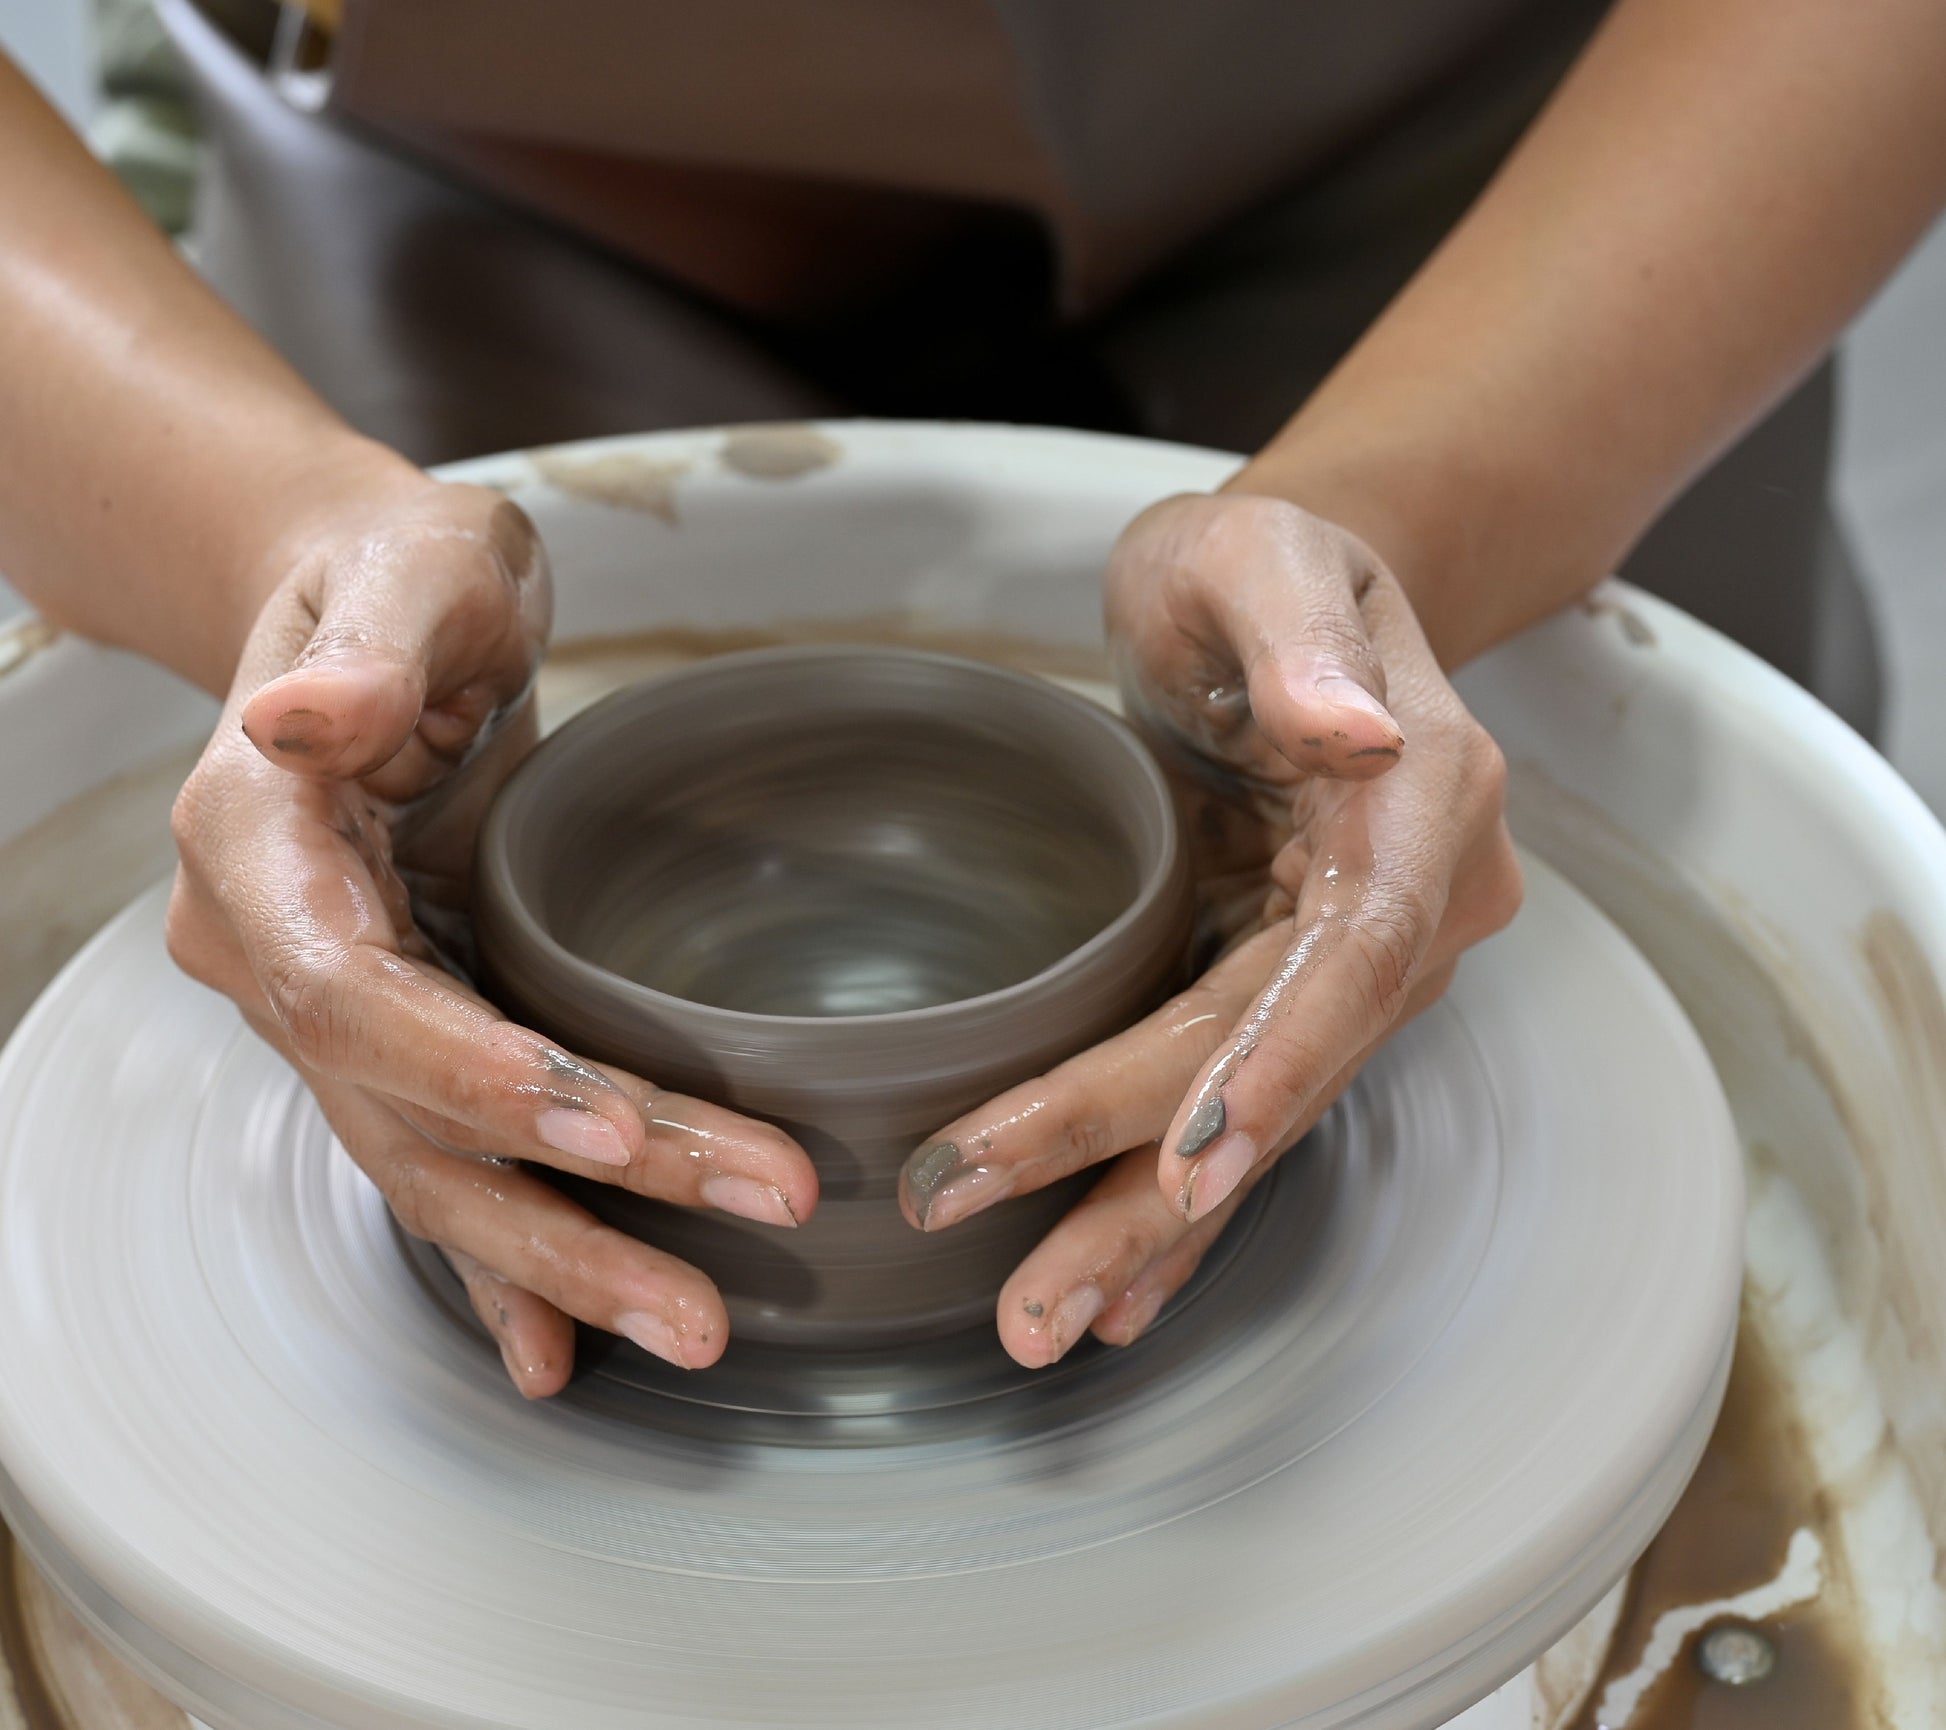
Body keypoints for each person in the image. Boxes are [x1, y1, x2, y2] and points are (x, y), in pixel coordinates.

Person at [1, 0, 1942, 1398]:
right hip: (488, 154)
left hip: (1481, 127)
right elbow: (319, 634)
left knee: (1621, 913)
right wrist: (275, 535)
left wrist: (1400, 528)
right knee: (358, 751)